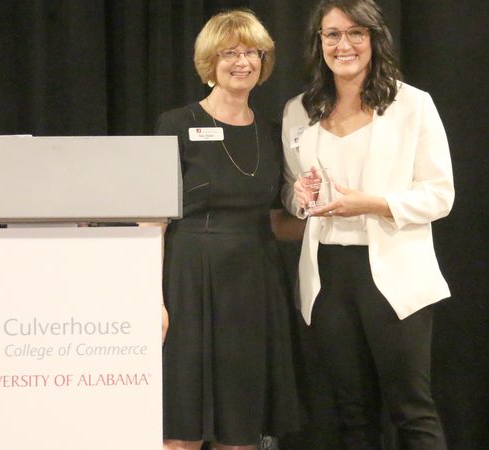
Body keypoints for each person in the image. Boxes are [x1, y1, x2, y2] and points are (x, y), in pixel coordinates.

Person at [281, 0, 454, 448]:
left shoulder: (412, 104)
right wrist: (300, 197)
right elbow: (294, 194)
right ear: (319, 42)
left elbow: (440, 195)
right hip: (327, 276)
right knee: (352, 415)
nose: (344, 44)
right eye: (332, 34)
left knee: (411, 410)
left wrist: (371, 204)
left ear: (374, 39)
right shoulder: (299, 111)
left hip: (391, 273)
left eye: (356, 33)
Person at [155, 9, 299, 450]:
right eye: (230, 53)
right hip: (188, 280)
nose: (243, 62)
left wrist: (321, 213)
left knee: (241, 427)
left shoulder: (273, 133)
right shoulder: (176, 124)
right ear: (210, 61)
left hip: (254, 284)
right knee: (179, 424)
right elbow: (153, 219)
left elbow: (276, 220)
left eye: (252, 52)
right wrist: (152, 298)